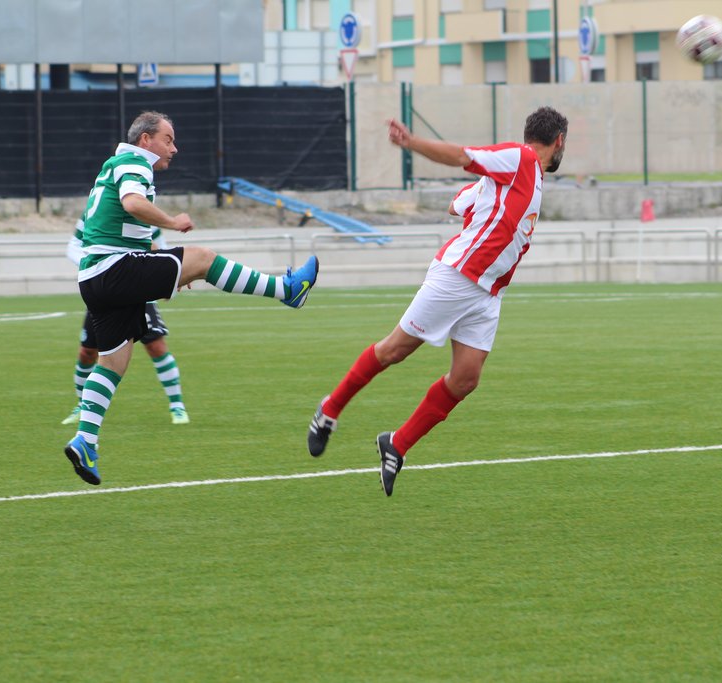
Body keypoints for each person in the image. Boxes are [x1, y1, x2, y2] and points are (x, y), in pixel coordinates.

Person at [307, 107, 568, 497]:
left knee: (465, 379)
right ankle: (329, 410)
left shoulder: (525, 177)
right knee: (394, 350)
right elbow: (463, 156)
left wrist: (485, 201)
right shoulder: (521, 159)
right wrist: (412, 143)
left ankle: (396, 445)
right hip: (459, 277)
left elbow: (456, 204)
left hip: (488, 293)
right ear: (559, 141)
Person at [64, 110, 319, 486]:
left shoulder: (114, 164)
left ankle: (85, 440)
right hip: (113, 268)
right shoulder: (135, 161)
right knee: (204, 258)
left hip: (94, 277)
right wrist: (173, 222)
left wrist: (164, 270)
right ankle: (287, 290)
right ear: (146, 140)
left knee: (113, 362)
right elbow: (133, 204)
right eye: (168, 139)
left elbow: (125, 227)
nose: (174, 148)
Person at [62, 218, 190, 426]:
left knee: (156, 346)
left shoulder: (144, 212)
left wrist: (170, 277)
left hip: (138, 286)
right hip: (106, 287)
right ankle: (82, 405)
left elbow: (160, 247)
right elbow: (73, 247)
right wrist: (95, 265)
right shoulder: (93, 214)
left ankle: (177, 406)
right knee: (87, 352)